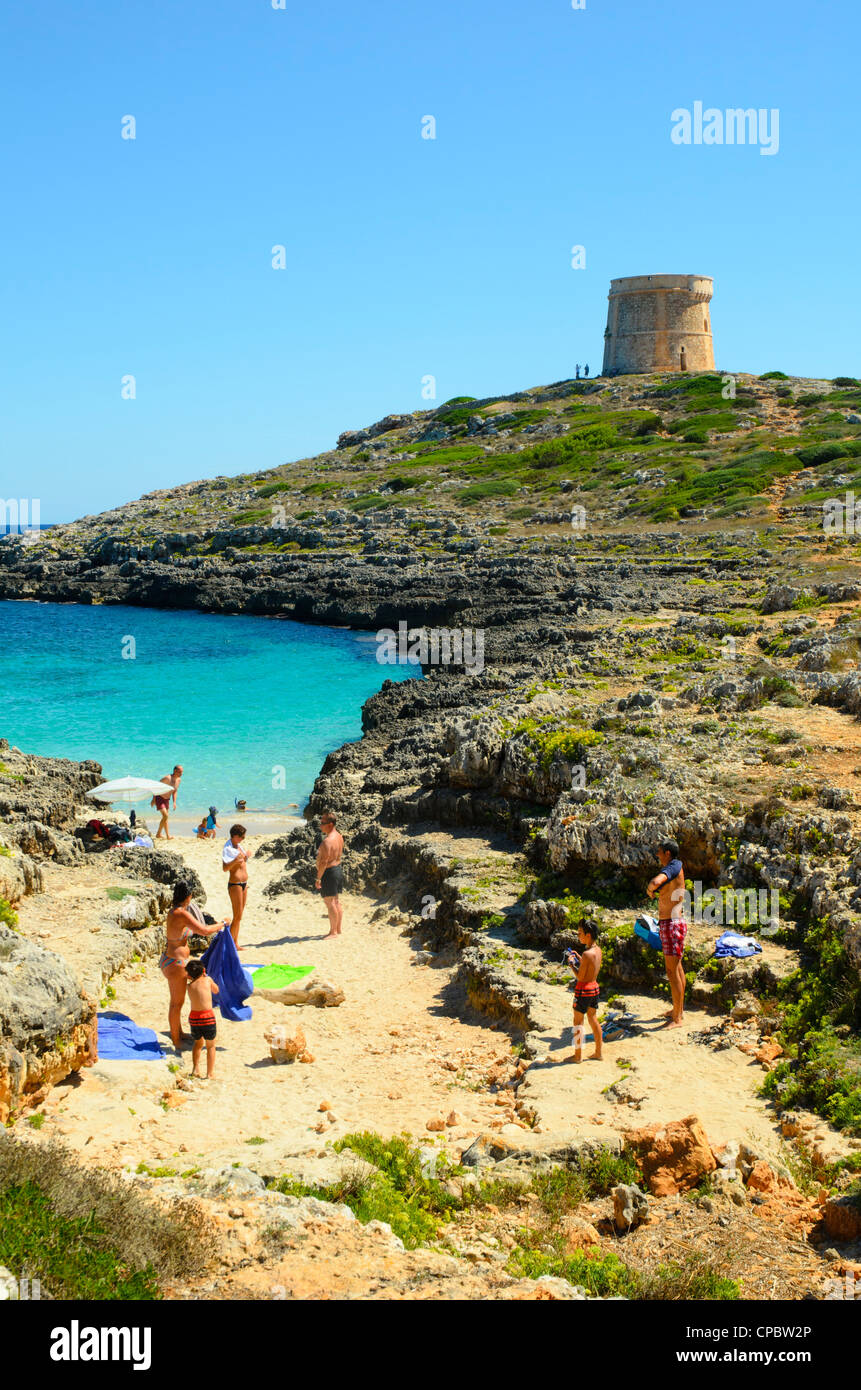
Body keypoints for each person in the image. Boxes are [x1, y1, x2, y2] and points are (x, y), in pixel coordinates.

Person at [159, 881, 221, 1048]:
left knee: (178, 1001)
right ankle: (176, 1040)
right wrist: (222, 924)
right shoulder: (181, 914)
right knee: (176, 1003)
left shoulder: (175, 911)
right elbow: (205, 930)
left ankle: (178, 1033)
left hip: (173, 960)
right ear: (188, 896)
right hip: (175, 963)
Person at [647, 839, 687, 1027]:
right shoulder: (675, 866)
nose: (657, 855)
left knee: (672, 972)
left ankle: (677, 1018)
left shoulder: (673, 866)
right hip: (671, 923)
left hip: (671, 924)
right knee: (677, 969)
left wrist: (650, 888)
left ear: (668, 853)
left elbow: (656, 881)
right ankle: (678, 1010)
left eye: (660, 851)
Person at [567, 921, 603, 1062]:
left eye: (580, 933)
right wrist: (578, 957)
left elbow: (581, 976)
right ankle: (598, 1053)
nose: (578, 935)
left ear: (588, 935)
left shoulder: (587, 954)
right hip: (594, 988)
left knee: (578, 1022)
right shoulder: (597, 950)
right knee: (593, 1020)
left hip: (583, 990)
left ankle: (577, 1056)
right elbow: (589, 966)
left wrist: (572, 965)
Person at [184, 958, 220, 1080]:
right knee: (210, 1045)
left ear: (189, 975)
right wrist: (207, 977)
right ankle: (209, 1073)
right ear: (204, 970)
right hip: (207, 1017)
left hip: (194, 1018)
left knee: (198, 1044)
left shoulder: (189, 986)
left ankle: (195, 1068)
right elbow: (216, 990)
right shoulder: (208, 980)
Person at [315, 810, 344, 939]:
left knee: (329, 902)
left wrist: (318, 878)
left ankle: (333, 932)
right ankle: (337, 929)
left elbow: (323, 862)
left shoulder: (327, 842)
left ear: (330, 824)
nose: (320, 825)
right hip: (338, 869)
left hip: (329, 873)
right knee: (336, 901)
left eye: (323, 823)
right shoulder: (339, 836)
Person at [222, 823, 252, 947]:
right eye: (242, 837)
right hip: (235, 884)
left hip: (244, 883)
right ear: (235, 836)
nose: (243, 839)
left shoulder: (239, 846)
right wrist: (235, 860)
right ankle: (230, 944)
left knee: (240, 916)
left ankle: (235, 942)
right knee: (237, 915)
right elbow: (225, 868)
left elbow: (242, 861)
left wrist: (246, 856)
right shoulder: (228, 849)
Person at [152, 765, 183, 841]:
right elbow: (156, 786)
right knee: (165, 816)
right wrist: (153, 799)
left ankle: (167, 836)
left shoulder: (179, 780)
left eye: (182, 772)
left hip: (167, 799)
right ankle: (158, 834)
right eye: (180, 772)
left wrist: (174, 802)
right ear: (175, 771)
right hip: (159, 797)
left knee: (166, 818)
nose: (181, 773)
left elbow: (175, 791)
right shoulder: (167, 778)